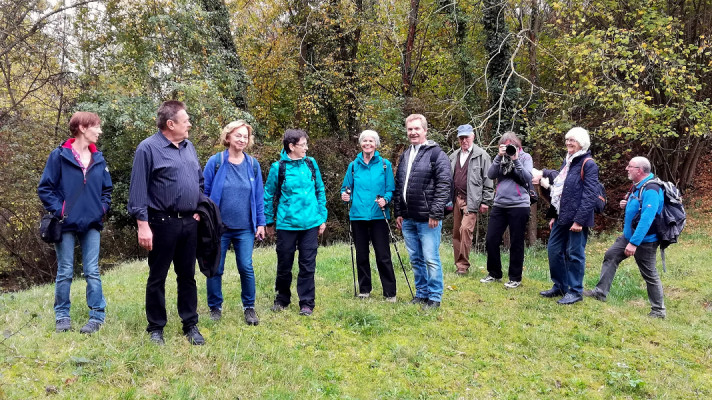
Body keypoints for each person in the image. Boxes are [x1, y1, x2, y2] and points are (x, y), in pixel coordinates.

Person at [127, 100, 205, 345]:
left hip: (189, 224)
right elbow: (138, 190)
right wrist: (143, 224)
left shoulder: (189, 147)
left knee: (187, 276)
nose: (190, 123)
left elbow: (199, 181)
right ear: (170, 124)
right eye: (186, 120)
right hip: (161, 223)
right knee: (157, 276)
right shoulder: (147, 149)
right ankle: (156, 328)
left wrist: (200, 209)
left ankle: (190, 325)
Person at [38, 111, 113, 334]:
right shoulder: (59, 156)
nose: (99, 131)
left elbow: (107, 190)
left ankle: (97, 316)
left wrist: (101, 209)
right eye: (96, 126)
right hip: (66, 222)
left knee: (92, 271)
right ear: (82, 128)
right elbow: (45, 188)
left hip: (91, 222)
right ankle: (62, 316)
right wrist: (60, 210)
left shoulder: (99, 158)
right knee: (65, 271)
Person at [583, 157, 666, 318]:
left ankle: (658, 311)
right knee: (611, 255)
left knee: (649, 273)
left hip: (644, 240)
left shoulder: (652, 189)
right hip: (628, 236)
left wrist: (634, 243)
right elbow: (638, 207)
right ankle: (600, 292)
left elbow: (647, 219)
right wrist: (627, 204)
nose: (627, 168)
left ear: (640, 170)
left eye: (630, 166)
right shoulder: (638, 186)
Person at [203, 120, 265, 325]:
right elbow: (204, 193)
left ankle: (249, 308)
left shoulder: (253, 165)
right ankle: (215, 307)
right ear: (228, 137)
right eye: (238, 135)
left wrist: (260, 223)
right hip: (218, 228)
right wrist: (204, 219)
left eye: (245, 136)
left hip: (245, 227)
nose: (242, 139)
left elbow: (258, 196)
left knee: (246, 267)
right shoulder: (216, 162)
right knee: (216, 268)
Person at [264, 129, 327, 316]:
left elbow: (320, 190)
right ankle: (282, 299)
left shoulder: (311, 163)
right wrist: (269, 222)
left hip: (310, 223)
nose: (306, 148)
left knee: (308, 264)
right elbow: (268, 195)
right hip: (286, 224)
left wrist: (322, 217)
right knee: (284, 263)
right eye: (303, 145)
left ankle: (307, 303)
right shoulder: (278, 168)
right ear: (291, 146)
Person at [393, 114, 452, 309]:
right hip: (408, 218)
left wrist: (436, 213)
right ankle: (421, 293)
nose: (413, 132)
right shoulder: (406, 154)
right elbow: (400, 183)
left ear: (425, 130)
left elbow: (444, 184)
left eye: (417, 129)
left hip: (428, 219)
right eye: (410, 129)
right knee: (415, 258)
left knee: (430, 258)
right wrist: (399, 212)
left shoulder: (437, 154)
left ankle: (434, 296)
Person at [541, 127, 599, 305]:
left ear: (581, 143)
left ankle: (575, 291)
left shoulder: (588, 164)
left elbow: (590, 194)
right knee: (553, 250)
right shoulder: (568, 161)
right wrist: (554, 214)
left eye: (572, 140)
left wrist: (579, 220)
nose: (568, 143)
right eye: (567, 140)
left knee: (574, 254)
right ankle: (560, 285)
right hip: (561, 216)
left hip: (577, 219)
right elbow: (560, 190)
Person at [340, 130, 397, 301]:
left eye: (371, 141)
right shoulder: (353, 166)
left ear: (376, 144)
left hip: (379, 216)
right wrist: (345, 196)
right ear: (360, 144)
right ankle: (364, 290)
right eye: (365, 141)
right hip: (358, 216)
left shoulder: (384, 165)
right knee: (362, 255)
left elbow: (390, 189)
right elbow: (345, 188)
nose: (367, 143)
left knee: (383, 255)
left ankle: (390, 293)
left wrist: (385, 200)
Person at [480, 132, 533, 289]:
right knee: (491, 239)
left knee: (516, 242)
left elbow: (526, 177)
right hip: (500, 204)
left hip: (519, 204)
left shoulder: (525, 157)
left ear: (518, 145)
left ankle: (515, 277)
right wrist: (498, 156)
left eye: (512, 145)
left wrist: (515, 159)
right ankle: (494, 273)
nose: (509, 148)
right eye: (505, 145)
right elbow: (490, 175)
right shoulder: (501, 159)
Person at [449, 124, 494, 275]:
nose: (464, 140)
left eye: (466, 137)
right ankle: (458, 265)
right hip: (456, 199)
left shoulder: (482, 155)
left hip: (472, 200)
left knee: (465, 230)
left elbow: (488, 180)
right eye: (461, 138)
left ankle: (463, 266)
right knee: (456, 232)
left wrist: (486, 201)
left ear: (473, 136)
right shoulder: (454, 156)